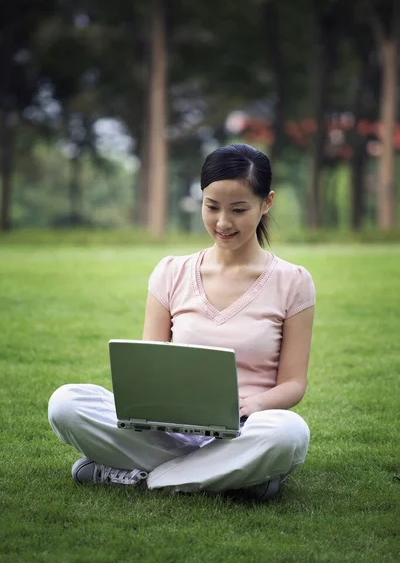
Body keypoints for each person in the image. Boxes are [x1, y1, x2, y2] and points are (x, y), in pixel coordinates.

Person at [48, 143, 315, 502]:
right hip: (168, 429)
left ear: (266, 203)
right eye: (212, 207)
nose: (222, 223)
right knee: (66, 403)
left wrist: (250, 406)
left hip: (246, 428)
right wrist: (149, 405)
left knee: (289, 433)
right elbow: (150, 368)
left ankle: (142, 477)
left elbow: (294, 383)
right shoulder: (171, 272)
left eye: (238, 209)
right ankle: (235, 477)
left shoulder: (293, 282)